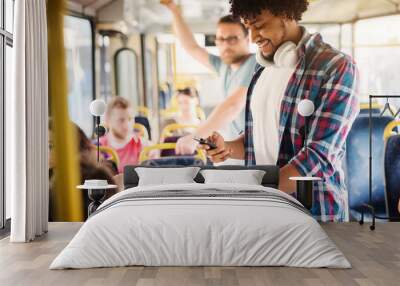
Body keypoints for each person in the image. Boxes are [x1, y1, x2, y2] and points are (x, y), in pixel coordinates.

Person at [202, 0, 359, 222]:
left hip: (312, 215)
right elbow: (259, 138)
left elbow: (319, 156)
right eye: (248, 27)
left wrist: (256, 191)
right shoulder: (263, 67)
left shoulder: (335, 66)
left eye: (259, 25)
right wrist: (227, 147)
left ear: (285, 13)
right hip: (265, 211)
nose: (253, 36)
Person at [161, 0, 257, 158]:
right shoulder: (224, 66)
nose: (226, 45)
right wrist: (174, 10)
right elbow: (191, 47)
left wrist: (195, 136)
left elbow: (233, 105)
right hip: (235, 152)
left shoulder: (254, 64)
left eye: (232, 39)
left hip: (253, 152)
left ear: (247, 39)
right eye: (221, 39)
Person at [100, 97, 142, 173]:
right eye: (121, 120)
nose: (127, 125)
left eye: (130, 119)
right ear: (108, 120)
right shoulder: (99, 147)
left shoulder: (141, 144)